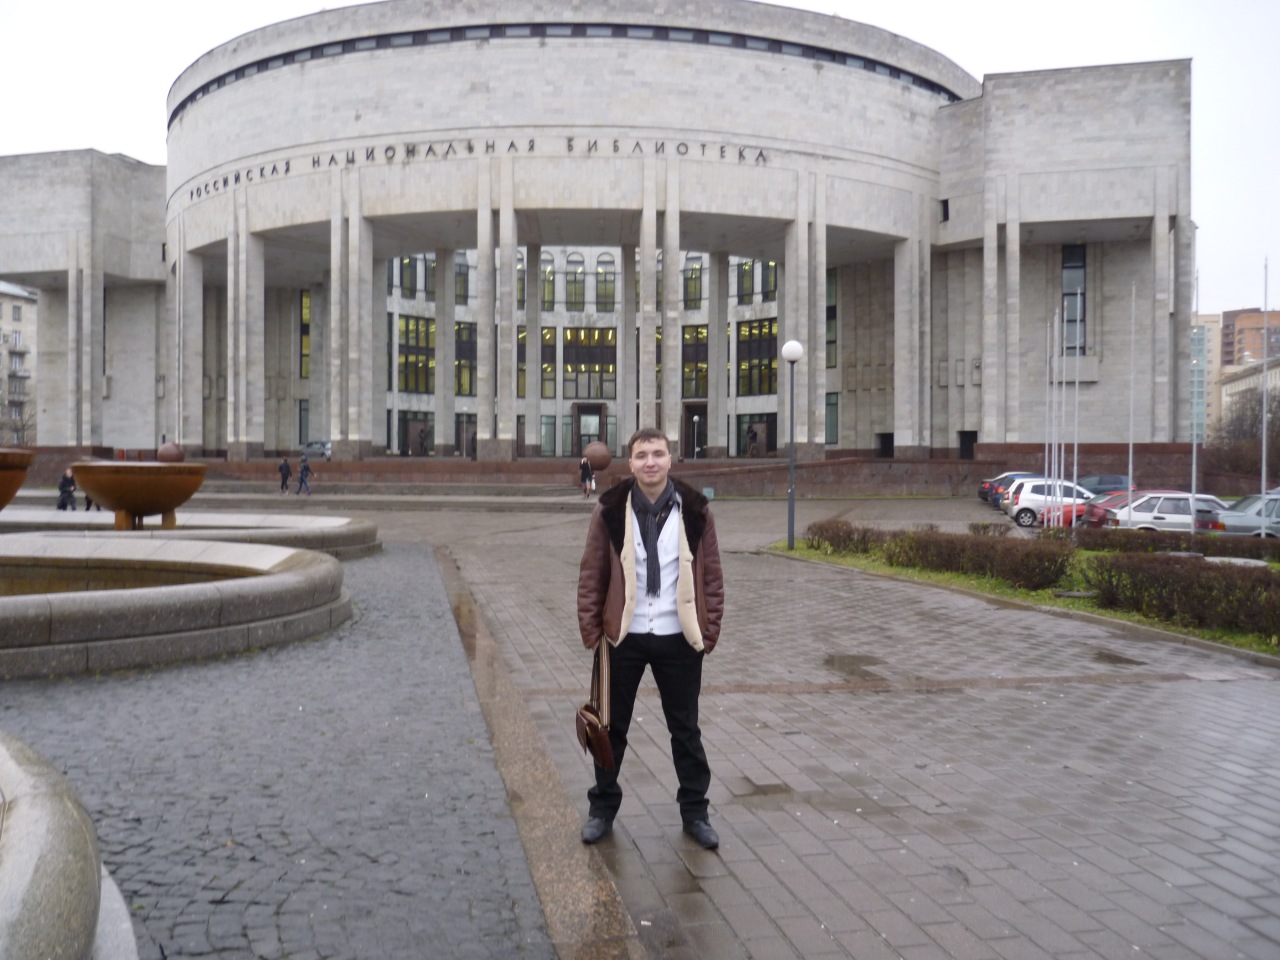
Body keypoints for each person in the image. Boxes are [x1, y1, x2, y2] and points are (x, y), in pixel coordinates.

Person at [576, 428, 725, 850]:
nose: (650, 462)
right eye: (642, 455)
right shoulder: (609, 509)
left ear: (670, 459)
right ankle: (602, 810)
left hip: (679, 636)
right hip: (622, 636)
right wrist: (592, 633)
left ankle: (695, 813)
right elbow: (592, 574)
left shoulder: (695, 510)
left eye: (658, 454)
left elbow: (712, 576)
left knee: (686, 731)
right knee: (610, 729)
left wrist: (708, 632)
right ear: (631, 463)